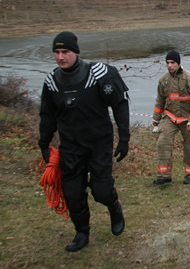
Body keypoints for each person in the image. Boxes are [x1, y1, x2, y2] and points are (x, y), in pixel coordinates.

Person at [38, 31, 130, 252]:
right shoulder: (52, 82)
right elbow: (47, 115)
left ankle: (114, 207)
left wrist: (124, 137)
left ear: (76, 52)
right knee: (72, 194)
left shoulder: (99, 74)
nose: (60, 57)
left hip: (99, 142)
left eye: (65, 52)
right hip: (70, 146)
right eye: (57, 52)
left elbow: (120, 103)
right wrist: (44, 143)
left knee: (102, 191)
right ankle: (82, 232)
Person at [152, 51, 190, 185]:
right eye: (167, 63)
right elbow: (159, 101)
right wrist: (156, 120)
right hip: (170, 117)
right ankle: (164, 176)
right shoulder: (163, 80)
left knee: (189, 146)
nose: (169, 65)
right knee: (163, 143)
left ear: (179, 63)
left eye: (172, 63)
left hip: (188, 119)